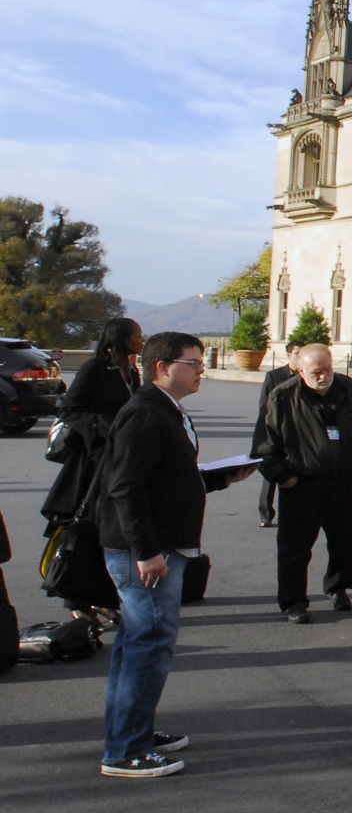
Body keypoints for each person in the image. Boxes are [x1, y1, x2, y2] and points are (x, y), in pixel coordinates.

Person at [95, 331, 254, 777]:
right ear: (163, 367)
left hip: (160, 545)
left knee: (138, 646)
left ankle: (133, 732)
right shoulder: (145, 413)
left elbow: (167, 477)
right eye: (194, 363)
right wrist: (146, 551)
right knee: (148, 647)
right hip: (147, 552)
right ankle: (125, 750)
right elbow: (126, 487)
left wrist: (221, 478)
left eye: (203, 363)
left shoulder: (166, 409)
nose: (202, 370)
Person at [254, 345, 352, 623]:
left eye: (327, 369)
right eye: (316, 372)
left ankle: (338, 587)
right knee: (295, 548)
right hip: (302, 485)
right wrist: (285, 478)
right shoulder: (283, 396)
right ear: (300, 370)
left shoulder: (347, 388)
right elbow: (264, 446)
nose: (323, 376)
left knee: (346, 541)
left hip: (345, 481)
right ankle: (294, 602)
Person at [42, 317, 143, 620]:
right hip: (91, 463)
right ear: (120, 338)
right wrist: (101, 424)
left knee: (110, 532)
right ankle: (77, 601)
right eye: (136, 335)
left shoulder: (131, 371)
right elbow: (69, 409)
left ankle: (103, 597)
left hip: (119, 459)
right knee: (86, 530)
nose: (141, 340)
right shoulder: (94, 369)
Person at [253, 340, 305, 526]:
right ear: (289, 355)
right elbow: (264, 406)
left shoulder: (307, 375)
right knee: (273, 473)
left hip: (299, 434)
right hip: (278, 431)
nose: (300, 356)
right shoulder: (274, 376)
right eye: (297, 353)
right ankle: (265, 513)